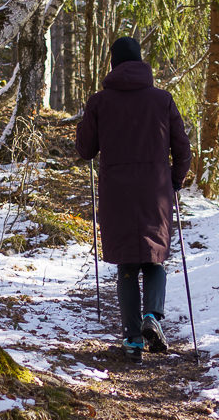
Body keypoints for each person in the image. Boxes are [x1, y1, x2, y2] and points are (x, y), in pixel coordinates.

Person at [76, 35, 191, 361]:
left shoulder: (100, 101)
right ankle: (152, 317)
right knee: (153, 258)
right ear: (140, 61)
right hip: (155, 193)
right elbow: (183, 150)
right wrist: (174, 182)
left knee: (127, 264)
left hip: (117, 194)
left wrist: (85, 119)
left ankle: (132, 342)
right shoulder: (162, 100)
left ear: (113, 64)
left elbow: (85, 150)